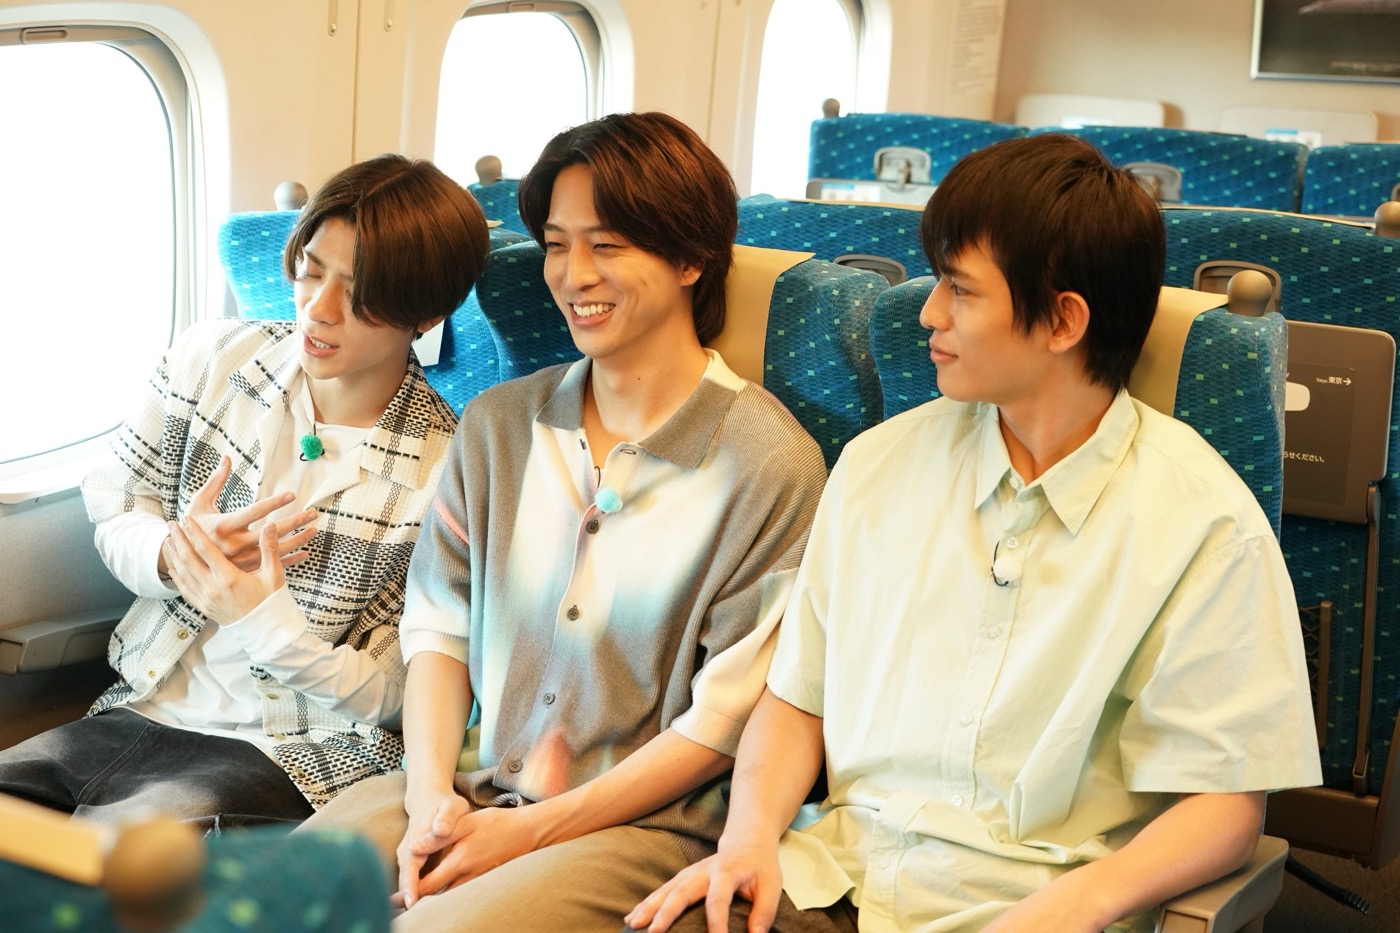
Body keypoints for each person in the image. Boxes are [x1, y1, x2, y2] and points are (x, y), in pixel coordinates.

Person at [626, 133, 1323, 933]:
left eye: (961, 289)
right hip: (840, 878)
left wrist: (1079, 905)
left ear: (1062, 320)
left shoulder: (1203, 521)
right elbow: (796, 698)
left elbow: (1226, 803)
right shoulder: (876, 465)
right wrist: (749, 838)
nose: (928, 313)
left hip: (1036, 901)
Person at [303, 111, 829, 931]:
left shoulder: (768, 463)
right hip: (475, 784)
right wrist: (431, 796)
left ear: (691, 259)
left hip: (640, 826)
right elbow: (438, 629)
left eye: (606, 245)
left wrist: (524, 833)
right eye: (556, 245)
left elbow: (721, 722)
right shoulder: (498, 425)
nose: (573, 274)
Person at [0, 154, 490, 829]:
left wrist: (262, 617)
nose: (318, 309)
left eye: (358, 292)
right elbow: (117, 503)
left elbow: (403, 697)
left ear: (427, 313)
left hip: (290, 750)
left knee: (104, 865)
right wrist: (171, 553)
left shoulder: (449, 470)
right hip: (136, 705)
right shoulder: (210, 360)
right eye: (311, 271)